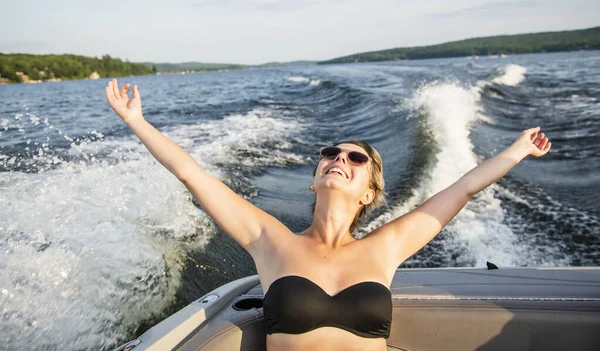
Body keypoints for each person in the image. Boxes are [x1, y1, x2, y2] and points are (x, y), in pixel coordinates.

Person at [105, 78, 552, 351]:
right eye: (331, 154)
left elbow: (464, 188)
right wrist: (137, 121)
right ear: (315, 177)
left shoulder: (387, 246)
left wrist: (518, 149)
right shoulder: (271, 241)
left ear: (369, 193)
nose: (340, 159)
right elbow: (192, 174)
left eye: (356, 160)